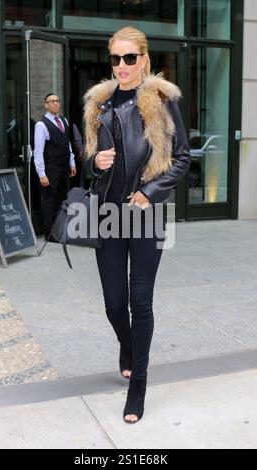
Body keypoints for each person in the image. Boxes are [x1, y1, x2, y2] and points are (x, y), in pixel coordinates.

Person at [83, 27, 190, 424]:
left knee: (140, 301)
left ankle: (138, 385)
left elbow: (182, 157)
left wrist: (149, 191)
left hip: (147, 215)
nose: (122, 66)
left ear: (144, 59)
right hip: (109, 215)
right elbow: (85, 160)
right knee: (114, 303)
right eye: (116, 59)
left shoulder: (161, 102)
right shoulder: (100, 104)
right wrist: (94, 163)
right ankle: (127, 346)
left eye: (130, 58)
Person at [34, 94, 77, 239]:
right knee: (49, 201)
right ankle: (49, 233)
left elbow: (67, 144)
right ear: (46, 105)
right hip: (50, 169)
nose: (55, 104)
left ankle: (59, 231)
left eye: (58, 101)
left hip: (63, 168)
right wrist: (42, 174)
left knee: (61, 199)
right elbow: (38, 152)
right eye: (52, 101)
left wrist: (72, 162)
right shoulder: (41, 125)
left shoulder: (64, 120)